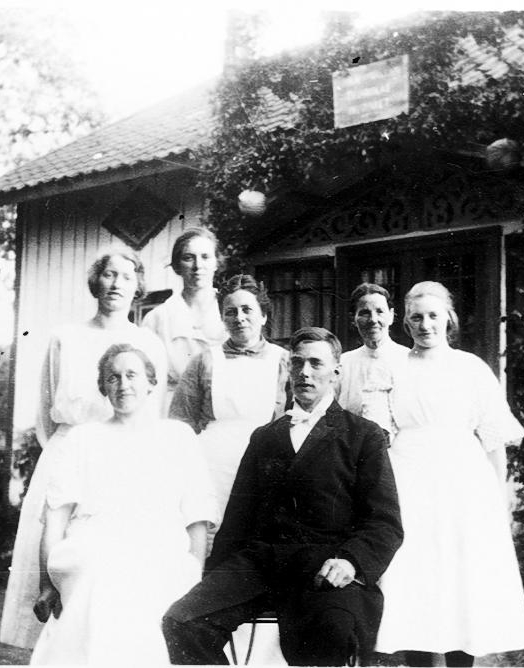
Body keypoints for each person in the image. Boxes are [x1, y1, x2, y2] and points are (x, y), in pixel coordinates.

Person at [163, 327, 404, 666]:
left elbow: (384, 522)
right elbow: (238, 519)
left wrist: (350, 562)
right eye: (297, 363)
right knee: (183, 622)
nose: (305, 372)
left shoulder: (363, 436)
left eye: (316, 364)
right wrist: (214, 578)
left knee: (331, 630)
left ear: (336, 373)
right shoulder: (265, 437)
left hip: (326, 565)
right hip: (263, 564)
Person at [0, 246, 167, 650]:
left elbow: (153, 413)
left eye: (126, 277)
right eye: (109, 274)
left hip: (124, 461)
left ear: (138, 287)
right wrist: (64, 453)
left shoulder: (148, 342)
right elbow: (46, 412)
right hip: (67, 455)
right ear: (96, 282)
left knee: (112, 568)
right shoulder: (65, 337)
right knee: (57, 556)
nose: (116, 284)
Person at [374, 282, 524, 667]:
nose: (425, 324)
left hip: (464, 486)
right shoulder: (392, 369)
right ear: (405, 323)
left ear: (449, 318)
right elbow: (378, 433)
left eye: (433, 315)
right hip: (409, 484)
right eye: (416, 317)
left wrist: (499, 499)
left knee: (462, 583)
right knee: (415, 581)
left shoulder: (470, 368)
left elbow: (494, 441)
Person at [29, 343, 218, 665]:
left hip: (161, 545)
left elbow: (197, 516)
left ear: (151, 383)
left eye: (132, 375)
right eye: (113, 377)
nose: (123, 384)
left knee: (143, 575)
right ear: (103, 387)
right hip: (92, 541)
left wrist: (195, 575)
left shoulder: (178, 436)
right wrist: (46, 585)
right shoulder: (82, 438)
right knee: (102, 571)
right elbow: (55, 517)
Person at [169, 273, 290, 530]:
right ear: (222, 318)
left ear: (264, 316)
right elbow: (180, 424)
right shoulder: (204, 361)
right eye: (230, 312)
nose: (239, 318)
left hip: (263, 464)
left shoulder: (284, 361)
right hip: (211, 466)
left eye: (247, 309)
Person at [143, 227, 227, 407]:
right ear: (177, 266)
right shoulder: (156, 319)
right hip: (173, 408)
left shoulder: (232, 310)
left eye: (205, 257)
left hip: (223, 406)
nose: (198, 266)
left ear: (216, 263)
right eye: (189, 258)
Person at [337, 283, 409, 440]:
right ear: (353, 319)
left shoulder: (408, 360)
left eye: (380, 311)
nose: (373, 320)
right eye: (364, 313)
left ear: (391, 316)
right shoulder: (344, 364)